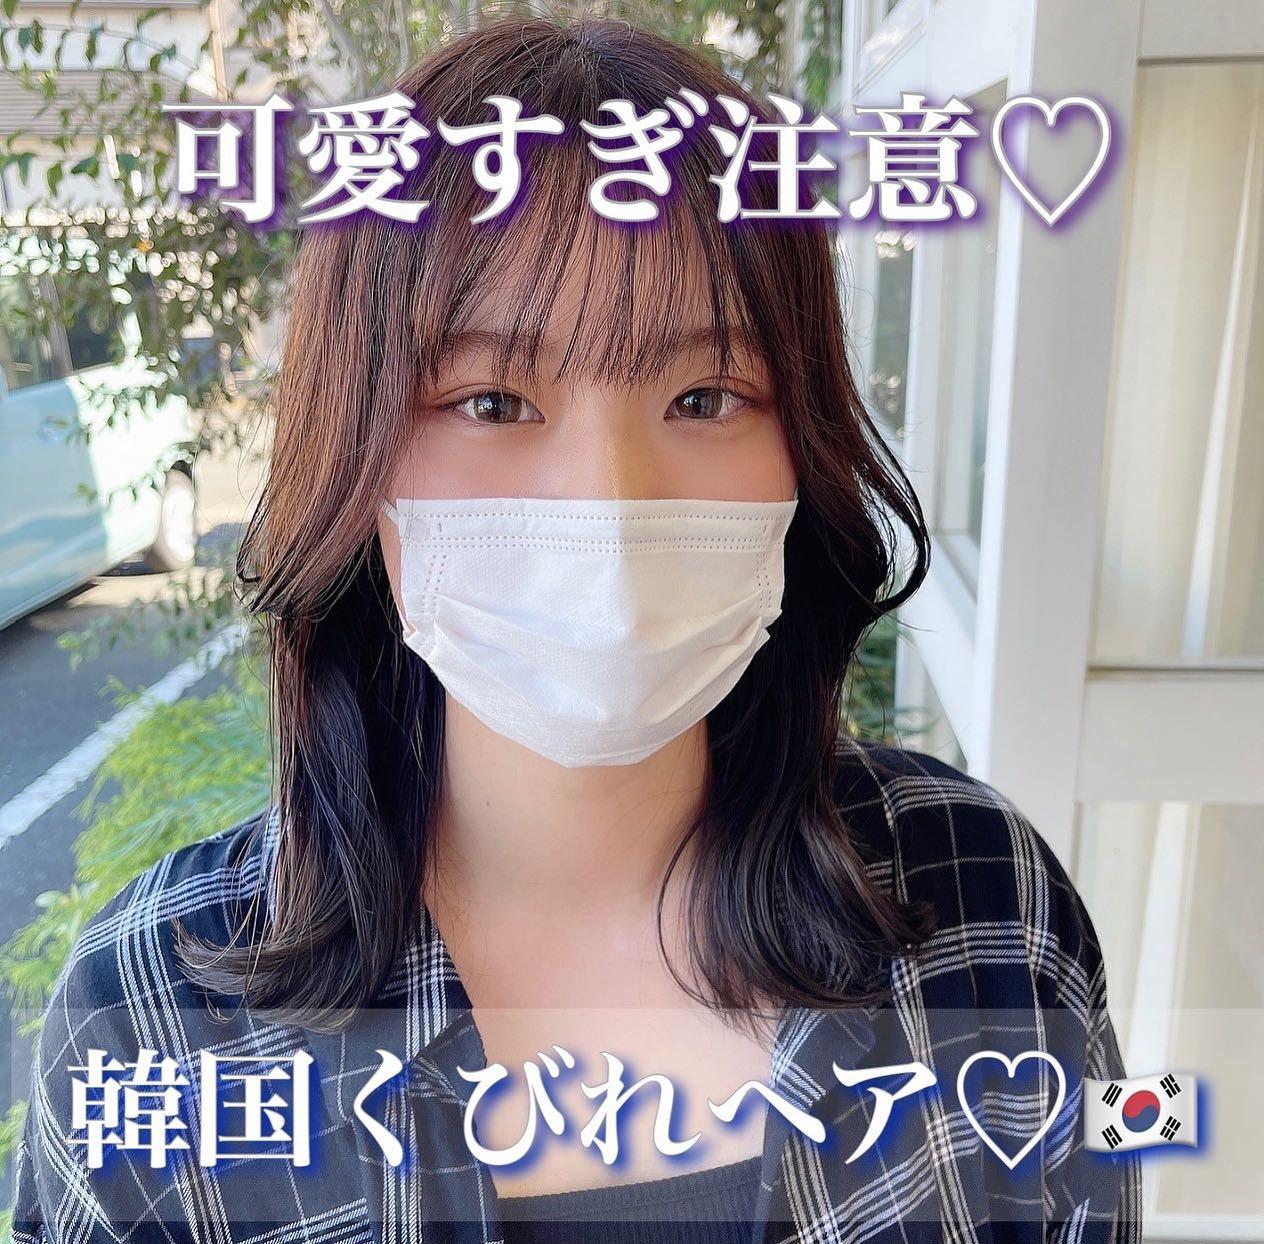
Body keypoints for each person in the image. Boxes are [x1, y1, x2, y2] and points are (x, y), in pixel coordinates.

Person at [11, 13, 1141, 1244]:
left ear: (801, 445)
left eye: (704, 395)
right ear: (356, 456)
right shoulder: (152, 1018)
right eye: (492, 400)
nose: (609, 501)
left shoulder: (988, 901)